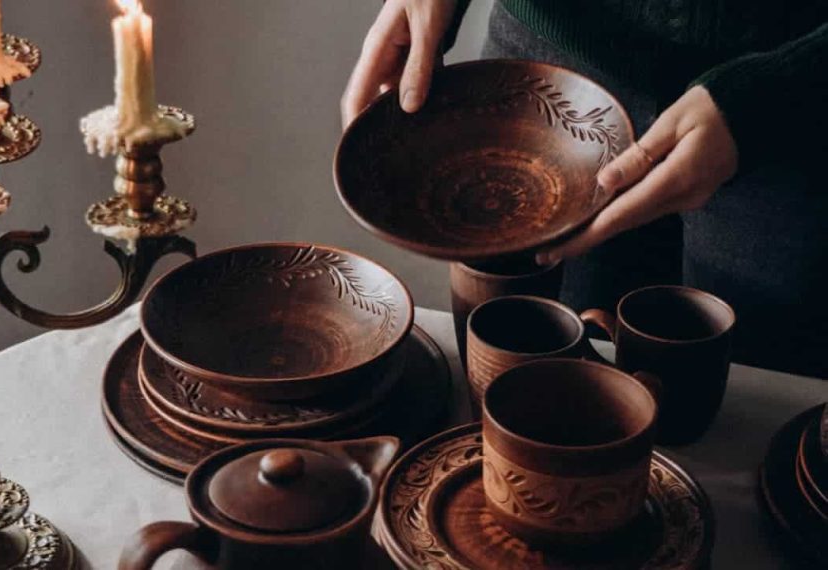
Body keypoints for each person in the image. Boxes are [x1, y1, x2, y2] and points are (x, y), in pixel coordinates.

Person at [341, 0, 828, 377]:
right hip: (551, 74)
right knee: (543, 386)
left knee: (756, 421)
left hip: (791, 105)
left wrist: (778, 94)